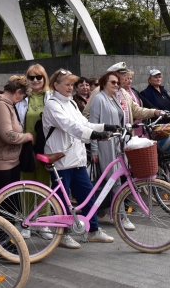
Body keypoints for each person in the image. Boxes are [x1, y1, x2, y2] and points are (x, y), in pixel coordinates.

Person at [42, 68, 118, 249]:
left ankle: (93, 230)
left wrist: (105, 126)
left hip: (76, 158)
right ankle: (62, 234)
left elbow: (83, 123)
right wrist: (95, 135)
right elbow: (70, 126)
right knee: (62, 199)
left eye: (71, 84)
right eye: (67, 84)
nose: (70, 88)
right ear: (56, 85)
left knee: (87, 194)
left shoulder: (72, 104)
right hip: (60, 159)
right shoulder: (52, 104)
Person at [0, 76, 35, 237]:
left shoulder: (8, 105)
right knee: (4, 208)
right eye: (23, 96)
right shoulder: (0, 105)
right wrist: (26, 137)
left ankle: (7, 242)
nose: (22, 100)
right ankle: (1, 243)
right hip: (1, 164)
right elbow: (8, 135)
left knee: (10, 207)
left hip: (11, 161)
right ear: (18, 92)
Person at [88, 72, 135, 231]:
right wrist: (94, 150)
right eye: (113, 82)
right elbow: (92, 125)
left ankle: (106, 211)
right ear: (104, 83)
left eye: (117, 82)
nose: (116, 85)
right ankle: (121, 216)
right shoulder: (98, 99)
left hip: (117, 144)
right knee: (114, 181)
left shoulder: (113, 98)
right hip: (104, 145)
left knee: (115, 180)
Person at [16, 64, 53, 239]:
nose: (36, 80)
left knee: (45, 186)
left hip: (46, 148)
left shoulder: (51, 97)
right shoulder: (22, 98)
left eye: (39, 77)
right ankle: (27, 221)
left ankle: (43, 222)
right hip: (26, 148)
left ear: (45, 79)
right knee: (27, 185)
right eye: (32, 77)